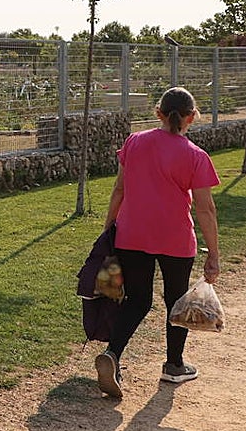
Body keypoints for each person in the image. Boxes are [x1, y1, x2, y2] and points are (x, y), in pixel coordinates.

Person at [95, 87, 221, 398]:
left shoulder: (134, 142)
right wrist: (214, 254)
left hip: (131, 235)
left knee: (137, 300)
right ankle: (174, 366)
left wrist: (108, 228)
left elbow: (119, 189)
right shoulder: (196, 156)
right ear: (192, 117)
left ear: (158, 113)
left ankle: (112, 355)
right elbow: (205, 208)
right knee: (177, 302)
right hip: (175, 238)